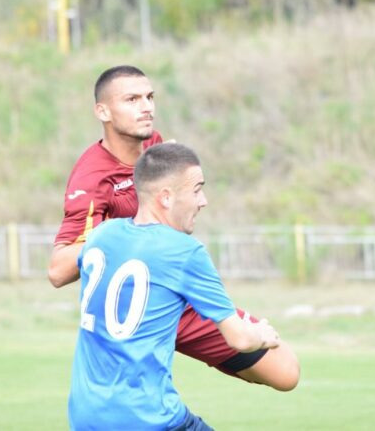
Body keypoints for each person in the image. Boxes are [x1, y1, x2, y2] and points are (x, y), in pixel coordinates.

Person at [50, 65, 299, 391]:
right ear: (103, 111)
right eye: (132, 99)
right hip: (135, 300)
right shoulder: (92, 179)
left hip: (175, 287)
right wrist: (121, 233)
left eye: (150, 97)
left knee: (285, 371)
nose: (146, 107)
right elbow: (58, 271)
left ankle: (224, 359)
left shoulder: (154, 147)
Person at [69, 143, 282, 430]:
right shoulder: (184, 251)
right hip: (147, 419)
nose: (203, 200)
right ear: (166, 197)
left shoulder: (102, 235)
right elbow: (240, 340)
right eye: (196, 190)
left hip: (85, 417)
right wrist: (262, 335)